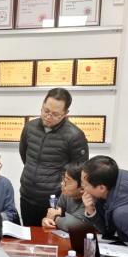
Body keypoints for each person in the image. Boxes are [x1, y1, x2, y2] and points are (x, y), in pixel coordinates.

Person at [19, 88, 89, 227]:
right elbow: (24, 155)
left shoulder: (75, 136)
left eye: (55, 114)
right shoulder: (30, 127)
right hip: (27, 195)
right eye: (46, 111)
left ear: (66, 114)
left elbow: (78, 171)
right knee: (29, 235)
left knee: (52, 237)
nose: (48, 116)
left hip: (54, 200)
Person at [42, 162, 103, 233]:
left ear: (82, 188)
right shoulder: (66, 194)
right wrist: (46, 220)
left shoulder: (89, 200)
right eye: (63, 180)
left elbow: (73, 226)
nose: (62, 183)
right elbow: (53, 213)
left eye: (67, 181)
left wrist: (55, 217)